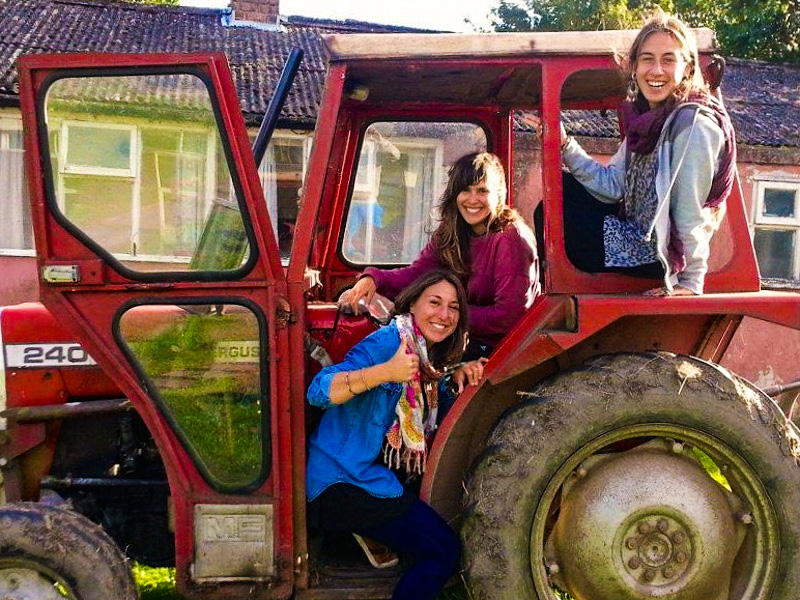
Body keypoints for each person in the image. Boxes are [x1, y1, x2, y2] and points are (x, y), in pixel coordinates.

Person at [525, 9, 736, 296]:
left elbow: (691, 210)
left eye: (668, 60)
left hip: (657, 252)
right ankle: (545, 288)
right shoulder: (649, 121)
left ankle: (554, 292)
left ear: (687, 68)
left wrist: (691, 282)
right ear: (634, 67)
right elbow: (613, 186)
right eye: (648, 59)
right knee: (562, 192)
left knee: (560, 219)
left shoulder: (693, 125)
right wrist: (564, 144)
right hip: (639, 230)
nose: (656, 70)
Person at [307, 271, 486, 599]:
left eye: (453, 307)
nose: (444, 315)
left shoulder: (426, 355)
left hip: (364, 478)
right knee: (442, 552)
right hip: (341, 482)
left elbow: (416, 406)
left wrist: (454, 378)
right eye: (434, 303)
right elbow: (319, 390)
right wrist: (384, 372)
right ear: (413, 304)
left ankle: (375, 537)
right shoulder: (389, 343)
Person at [345, 152, 540, 359]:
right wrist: (375, 279)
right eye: (465, 190)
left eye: (482, 191)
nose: (472, 199)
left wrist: (448, 315)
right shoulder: (454, 231)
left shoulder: (511, 240)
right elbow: (419, 274)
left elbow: (507, 317)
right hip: (461, 336)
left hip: (498, 350)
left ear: (499, 194)